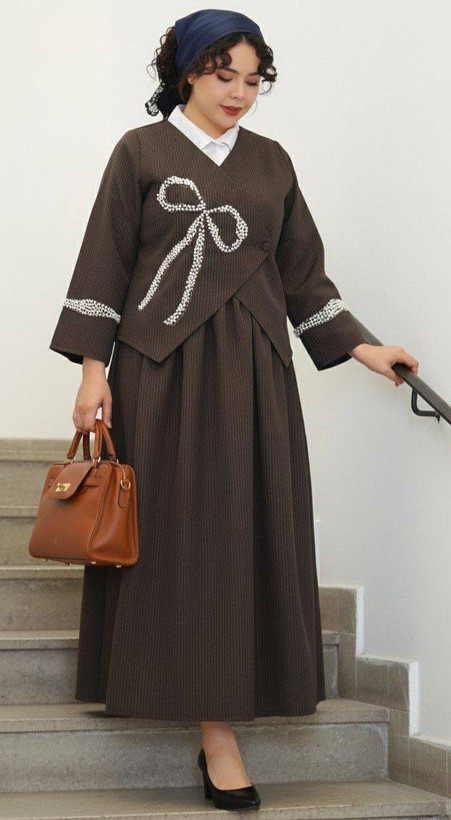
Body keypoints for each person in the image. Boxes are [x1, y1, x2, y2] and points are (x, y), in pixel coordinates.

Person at [49, 9, 419, 812]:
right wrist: (92, 375)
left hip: (255, 374)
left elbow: (304, 279)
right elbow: (103, 264)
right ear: (188, 73)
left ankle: (223, 718)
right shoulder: (140, 152)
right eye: (224, 77)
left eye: (253, 81)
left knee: (244, 538)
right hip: (162, 374)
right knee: (175, 542)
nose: (239, 94)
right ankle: (214, 733)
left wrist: (367, 349)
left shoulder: (271, 162)